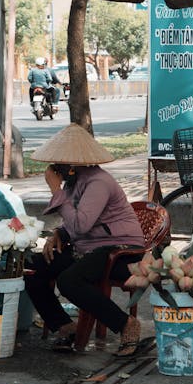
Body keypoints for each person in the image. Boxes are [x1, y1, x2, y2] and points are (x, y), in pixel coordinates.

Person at [23, 123, 145, 356]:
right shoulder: (74, 181)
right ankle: (65, 326)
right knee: (32, 268)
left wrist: (55, 190)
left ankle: (125, 324)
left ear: (72, 163)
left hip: (122, 252)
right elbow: (73, 225)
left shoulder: (98, 182)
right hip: (88, 250)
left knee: (69, 281)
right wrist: (60, 234)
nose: (55, 167)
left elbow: (81, 223)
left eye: (60, 163)